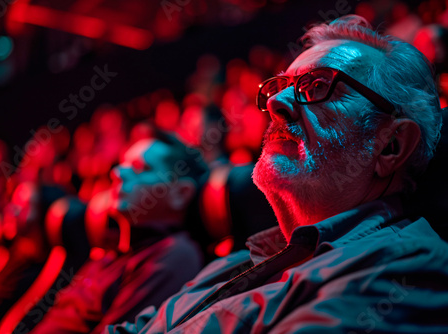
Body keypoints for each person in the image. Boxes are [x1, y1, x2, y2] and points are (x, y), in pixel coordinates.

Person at [107, 15, 448, 333]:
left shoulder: (405, 266)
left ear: (390, 146)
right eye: (279, 86)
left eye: (317, 86)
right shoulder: (230, 265)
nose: (274, 103)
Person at [30, 130, 208, 334]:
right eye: (123, 163)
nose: (117, 173)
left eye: (141, 168)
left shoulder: (174, 256)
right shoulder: (111, 248)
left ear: (180, 193)